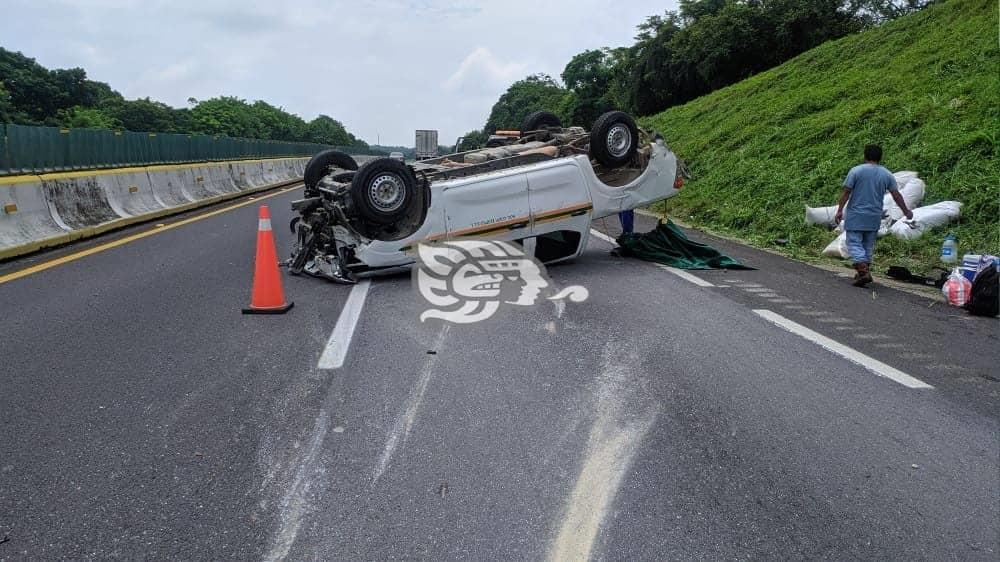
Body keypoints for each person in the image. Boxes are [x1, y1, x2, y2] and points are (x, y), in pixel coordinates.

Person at [834, 144, 913, 287]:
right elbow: (896, 195)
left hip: (856, 215)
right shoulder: (886, 174)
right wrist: (906, 211)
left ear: (865, 156)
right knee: (868, 245)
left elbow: (846, 192)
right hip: (875, 216)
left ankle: (863, 271)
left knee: (854, 243)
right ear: (880, 157)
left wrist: (839, 210)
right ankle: (863, 272)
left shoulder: (856, 171)